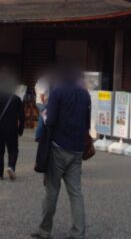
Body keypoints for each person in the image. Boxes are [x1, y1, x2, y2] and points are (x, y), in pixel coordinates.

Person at [33, 63, 91, 239]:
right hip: (77, 149)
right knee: (76, 192)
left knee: (52, 190)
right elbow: (87, 123)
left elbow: (50, 121)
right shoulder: (85, 95)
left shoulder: (58, 92)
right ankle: (78, 232)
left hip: (58, 146)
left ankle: (45, 230)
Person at [0, 70, 24, 181]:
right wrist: (20, 129)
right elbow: (22, 116)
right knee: (13, 149)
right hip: (12, 128)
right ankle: (11, 166)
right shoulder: (16, 99)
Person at [33, 71, 52, 142]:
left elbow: (35, 90)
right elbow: (42, 94)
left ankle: (41, 136)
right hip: (42, 103)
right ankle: (39, 136)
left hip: (38, 102)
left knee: (42, 119)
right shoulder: (45, 83)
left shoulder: (39, 81)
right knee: (42, 120)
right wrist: (44, 103)